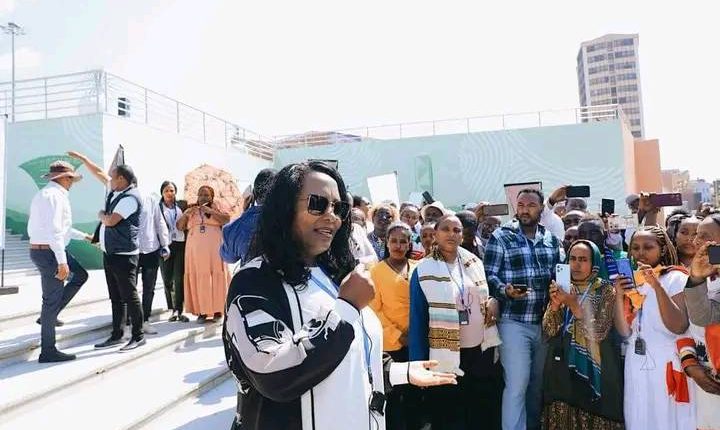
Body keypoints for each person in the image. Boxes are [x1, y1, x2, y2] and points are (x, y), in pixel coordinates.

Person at [222, 161, 456, 430]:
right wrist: (345, 308)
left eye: (339, 208)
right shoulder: (254, 281)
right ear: (284, 208)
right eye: (318, 204)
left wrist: (398, 371)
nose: (332, 216)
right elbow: (274, 373)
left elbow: (351, 349)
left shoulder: (334, 274)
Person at [409, 214, 502, 430]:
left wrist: (492, 301)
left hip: (479, 353)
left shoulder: (473, 262)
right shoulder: (423, 270)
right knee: (450, 416)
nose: (451, 234)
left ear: (462, 235)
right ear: (436, 234)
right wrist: (418, 363)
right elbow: (418, 319)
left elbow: (483, 296)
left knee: (480, 415)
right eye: (446, 229)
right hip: (445, 355)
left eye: (457, 230)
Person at [483, 188, 562, 430]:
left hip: (544, 323)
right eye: (521, 205)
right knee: (517, 385)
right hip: (513, 322)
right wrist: (505, 290)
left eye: (531, 205)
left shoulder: (550, 240)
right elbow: (488, 275)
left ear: (541, 209)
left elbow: (559, 275)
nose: (525, 209)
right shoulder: (501, 237)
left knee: (536, 386)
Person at [613, 226, 695, 430]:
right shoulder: (632, 281)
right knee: (639, 417)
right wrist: (619, 296)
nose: (641, 252)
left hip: (666, 359)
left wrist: (656, 285)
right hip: (636, 360)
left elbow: (678, 326)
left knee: (666, 418)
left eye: (648, 247)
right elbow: (624, 332)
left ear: (662, 249)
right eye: (635, 248)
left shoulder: (676, 278)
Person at [541, 240, 624, 430]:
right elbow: (548, 330)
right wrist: (555, 305)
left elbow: (599, 331)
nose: (576, 265)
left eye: (583, 260)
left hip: (597, 365)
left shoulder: (605, 290)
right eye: (573, 259)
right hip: (563, 363)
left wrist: (573, 303)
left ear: (594, 262)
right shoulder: (563, 287)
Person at [27, 161, 92, 363]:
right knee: (50, 301)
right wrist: (62, 262)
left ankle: (50, 315)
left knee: (80, 275)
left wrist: (85, 237)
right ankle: (48, 351)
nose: (72, 182)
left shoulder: (46, 194)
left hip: (46, 249)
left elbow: (61, 229)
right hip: (50, 252)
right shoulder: (55, 196)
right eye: (70, 178)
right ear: (63, 178)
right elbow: (54, 231)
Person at [80, 158, 146, 352]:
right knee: (116, 297)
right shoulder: (117, 192)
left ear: (122, 179)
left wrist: (101, 214)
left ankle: (138, 335)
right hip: (111, 253)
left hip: (124, 255)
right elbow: (100, 174)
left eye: (113, 177)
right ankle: (117, 334)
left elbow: (110, 221)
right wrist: (83, 159)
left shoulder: (130, 199)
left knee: (130, 296)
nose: (110, 180)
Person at [369, 222, 422, 430]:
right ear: (386, 243)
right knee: (395, 399)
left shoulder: (418, 267)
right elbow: (374, 311)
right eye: (394, 241)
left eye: (403, 241)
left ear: (409, 244)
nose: (398, 246)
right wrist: (398, 335)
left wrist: (416, 334)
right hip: (391, 345)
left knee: (415, 395)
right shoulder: (376, 272)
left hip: (417, 342)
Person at [683, 213, 720, 428]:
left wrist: (697, 278)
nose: (696, 240)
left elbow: (704, 316)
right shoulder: (695, 276)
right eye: (697, 235)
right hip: (704, 382)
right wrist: (690, 365)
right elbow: (688, 327)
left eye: (705, 236)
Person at [178, 185, 231, 323]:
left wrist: (211, 211)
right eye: (201, 194)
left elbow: (227, 219)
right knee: (199, 277)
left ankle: (218, 310)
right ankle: (202, 311)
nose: (203, 197)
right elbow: (179, 226)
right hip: (195, 252)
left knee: (215, 276)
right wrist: (186, 214)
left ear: (212, 197)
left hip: (214, 250)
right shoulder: (191, 209)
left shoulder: (216, 207)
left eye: (206, 195)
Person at [220, 168, 277, 265]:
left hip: (249, 274)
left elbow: (229, 258)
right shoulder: (293, 223)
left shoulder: (235, 228)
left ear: (253, 195)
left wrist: (244, 214)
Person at [137, 191, 171, 335]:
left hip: (151, 248)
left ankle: (145, 320)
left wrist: (165, 244)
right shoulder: (124, 199)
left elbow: (159, 222)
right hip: (131, 250)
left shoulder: (150, 200)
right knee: (129, 288)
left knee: (149, 288)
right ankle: (130, 322)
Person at [158, 181, 189, 322]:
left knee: (179, 277)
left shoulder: (182, 206)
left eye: (172, 190)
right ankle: (171, 307)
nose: (169, 193)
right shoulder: (158, 208)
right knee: (167, 278)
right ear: (162, 193)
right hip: (165, 245)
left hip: (180, 244)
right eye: (166, 191)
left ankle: (178, 309)